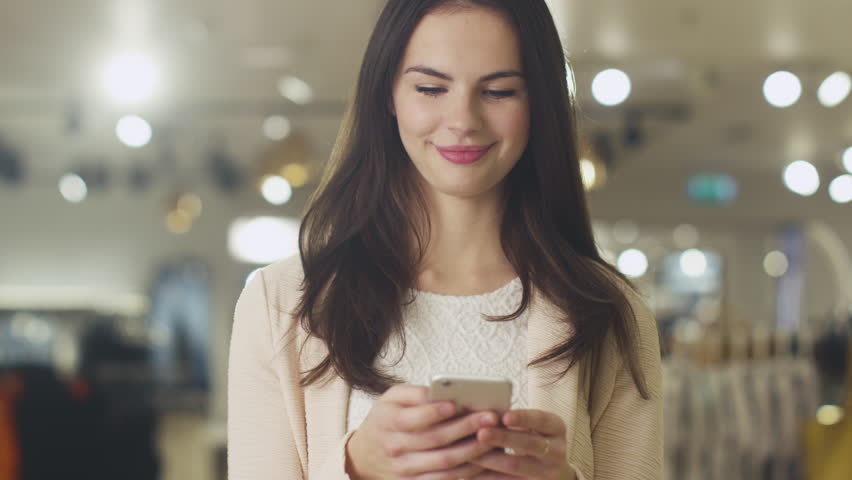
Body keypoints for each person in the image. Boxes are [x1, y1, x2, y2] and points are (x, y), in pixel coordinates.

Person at [228, 1, 662, 479]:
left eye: (498, 91)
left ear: (539, 101)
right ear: (388, 93)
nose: (463, 120)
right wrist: (355, 467)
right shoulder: (281, 303)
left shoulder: (611, 314)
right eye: (430, 88)